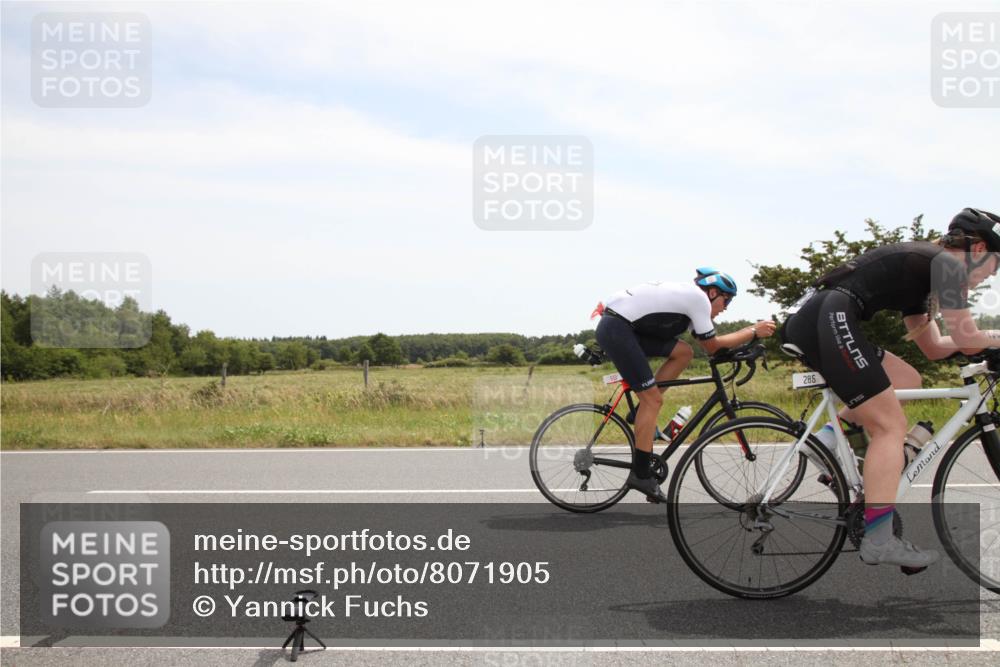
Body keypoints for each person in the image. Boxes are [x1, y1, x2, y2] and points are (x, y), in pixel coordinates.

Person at [781, 207, 1000, 569]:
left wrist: (983, 342)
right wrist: (990, 341)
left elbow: (933, 346)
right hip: (831, 314)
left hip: (821, 314)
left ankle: (828, 438)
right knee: (890, 427)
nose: (992, 275)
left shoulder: (928, 271)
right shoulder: (947, 266)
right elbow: (966, 336)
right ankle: (880, 539)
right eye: (997, 264)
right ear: (979, 251)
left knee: (907, 379)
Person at [594, 268, 777, 502]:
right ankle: (641, 474)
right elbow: (713, 346)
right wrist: (753, 330)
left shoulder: (691, 306)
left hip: (620, 326)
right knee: (653, 400)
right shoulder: (698, 299)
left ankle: (641, 411)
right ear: (712, 292)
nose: (727, 307)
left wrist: (745, 344)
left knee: (683, 352)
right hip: (618, 329)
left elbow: (711, 347)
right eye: (726, 300)